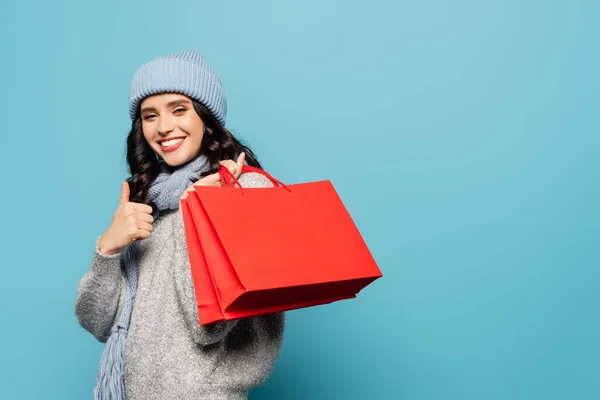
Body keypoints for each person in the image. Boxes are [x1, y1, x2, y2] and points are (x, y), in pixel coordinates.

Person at [75, 50, 285, 400]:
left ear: (207, 117)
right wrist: (108, 249)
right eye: (150, 115)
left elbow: (210, 326)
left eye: (179, 109)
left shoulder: (246, 191)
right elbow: (98, 324)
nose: (163, 127)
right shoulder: (147, 202)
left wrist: (198, 211)